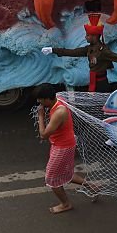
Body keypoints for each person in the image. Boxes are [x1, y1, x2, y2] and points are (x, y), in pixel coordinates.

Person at [41, 13, 117, 92]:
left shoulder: (103, 51)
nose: (86, 37)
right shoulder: (89, 49)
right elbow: (72, 52)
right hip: (92, 81)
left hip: (102, 84)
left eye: (88, 35)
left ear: (95, 36)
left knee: (101, 103)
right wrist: (52, 50)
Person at [34, 84, 100, 214]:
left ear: (47, 99)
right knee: (65, 174)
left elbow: (43, 134)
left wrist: (40, 116)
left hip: (63, 147)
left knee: (52, 179)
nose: (39, 103)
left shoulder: (59, 111)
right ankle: (92, 186)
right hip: (62, 144)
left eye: (40, 100)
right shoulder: (58, 99)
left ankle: (65, 204)